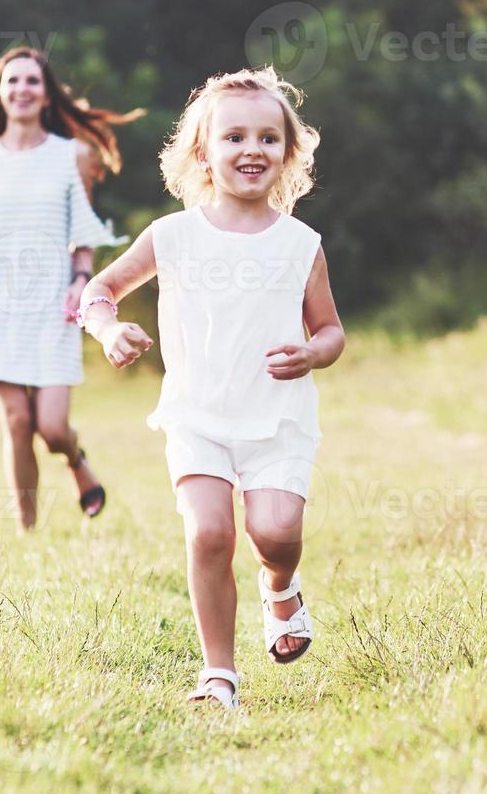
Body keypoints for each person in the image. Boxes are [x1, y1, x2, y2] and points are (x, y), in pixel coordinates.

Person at [77, 68, 344, 709]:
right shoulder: (172, 236)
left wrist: (311, 353)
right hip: (197, 416)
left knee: (276, 535)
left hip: (277, 420)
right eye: (233, 138)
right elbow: (97, 292)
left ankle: (280, 588)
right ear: (204, 151)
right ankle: (218, 674)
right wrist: (109, 332)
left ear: (288, 153)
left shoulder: (301, 245)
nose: (251, 150)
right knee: (210, 533)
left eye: (267, 138)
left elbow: (332, 330)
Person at [0, 46, 143, 531]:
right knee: (18, 422)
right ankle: (29, 534)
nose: (22, 89)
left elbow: (83, 236)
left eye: (32, 81)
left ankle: (75, 458)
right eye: (12, 81)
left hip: (51, 304)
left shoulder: (74, 156)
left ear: (47, 95)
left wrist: (82, 280)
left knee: (51, 425)